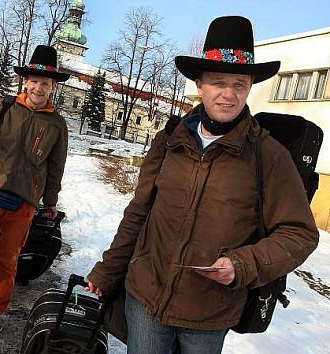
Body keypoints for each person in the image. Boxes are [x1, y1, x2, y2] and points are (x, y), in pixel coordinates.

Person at [84, 16, 319, 354]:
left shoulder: (268, 155)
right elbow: (139, 212)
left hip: (209, 314)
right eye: (218, 82)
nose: (228, 94)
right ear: (200, 84)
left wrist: (242, 265)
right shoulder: (170, 140)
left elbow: (300, 233)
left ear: (249, 87)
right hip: (146, 298)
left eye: (239, 84)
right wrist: (107, 271)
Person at [0, 45, 70, 334]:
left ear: (53, 87)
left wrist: (50, 201)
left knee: (7, 260)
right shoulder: (6, 106)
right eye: (34, 81)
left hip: (25, 201)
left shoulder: (57, 124)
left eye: (45, 83)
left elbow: (56, 166)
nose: (38, 87)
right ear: (25, 82)